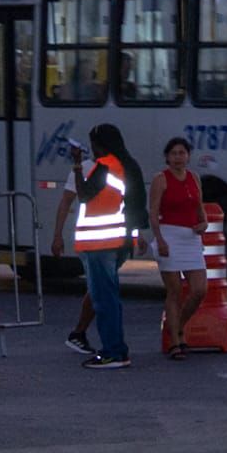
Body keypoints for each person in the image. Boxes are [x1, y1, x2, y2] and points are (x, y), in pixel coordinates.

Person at [72, 122, 147, 370]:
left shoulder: (106, 166)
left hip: (99, 243)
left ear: (101, 144)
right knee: (109, 298)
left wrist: (76, 165)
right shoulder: (128, 165)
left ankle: (113, 352)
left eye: (94, 144)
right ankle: (117, 349)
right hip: (118, 242)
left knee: (104, 300)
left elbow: (83, 194)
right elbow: (135, 206)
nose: (92, 149)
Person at [148, 136, 207, 359]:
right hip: (169, 234)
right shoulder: (161, 179)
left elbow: (199, 206)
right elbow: (153, 212)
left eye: (182, 153)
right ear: (167, 157)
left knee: (199, 289)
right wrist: (160, 239)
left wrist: (203, 223)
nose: (178, 158)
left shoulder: (194, 178)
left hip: (190, 237)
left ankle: (177, 325)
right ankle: (175, 341)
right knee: (174, 291)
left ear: (188, 156)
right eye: (174, 154)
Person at [50, 139, 96, 355]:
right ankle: (79, 333)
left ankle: (80, 333)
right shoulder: (84, 168)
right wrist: (57, 235)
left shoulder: (116, 168)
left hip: (110, 242)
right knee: (99, 289)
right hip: (89, 240)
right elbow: (65, 202)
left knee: (100, 289)